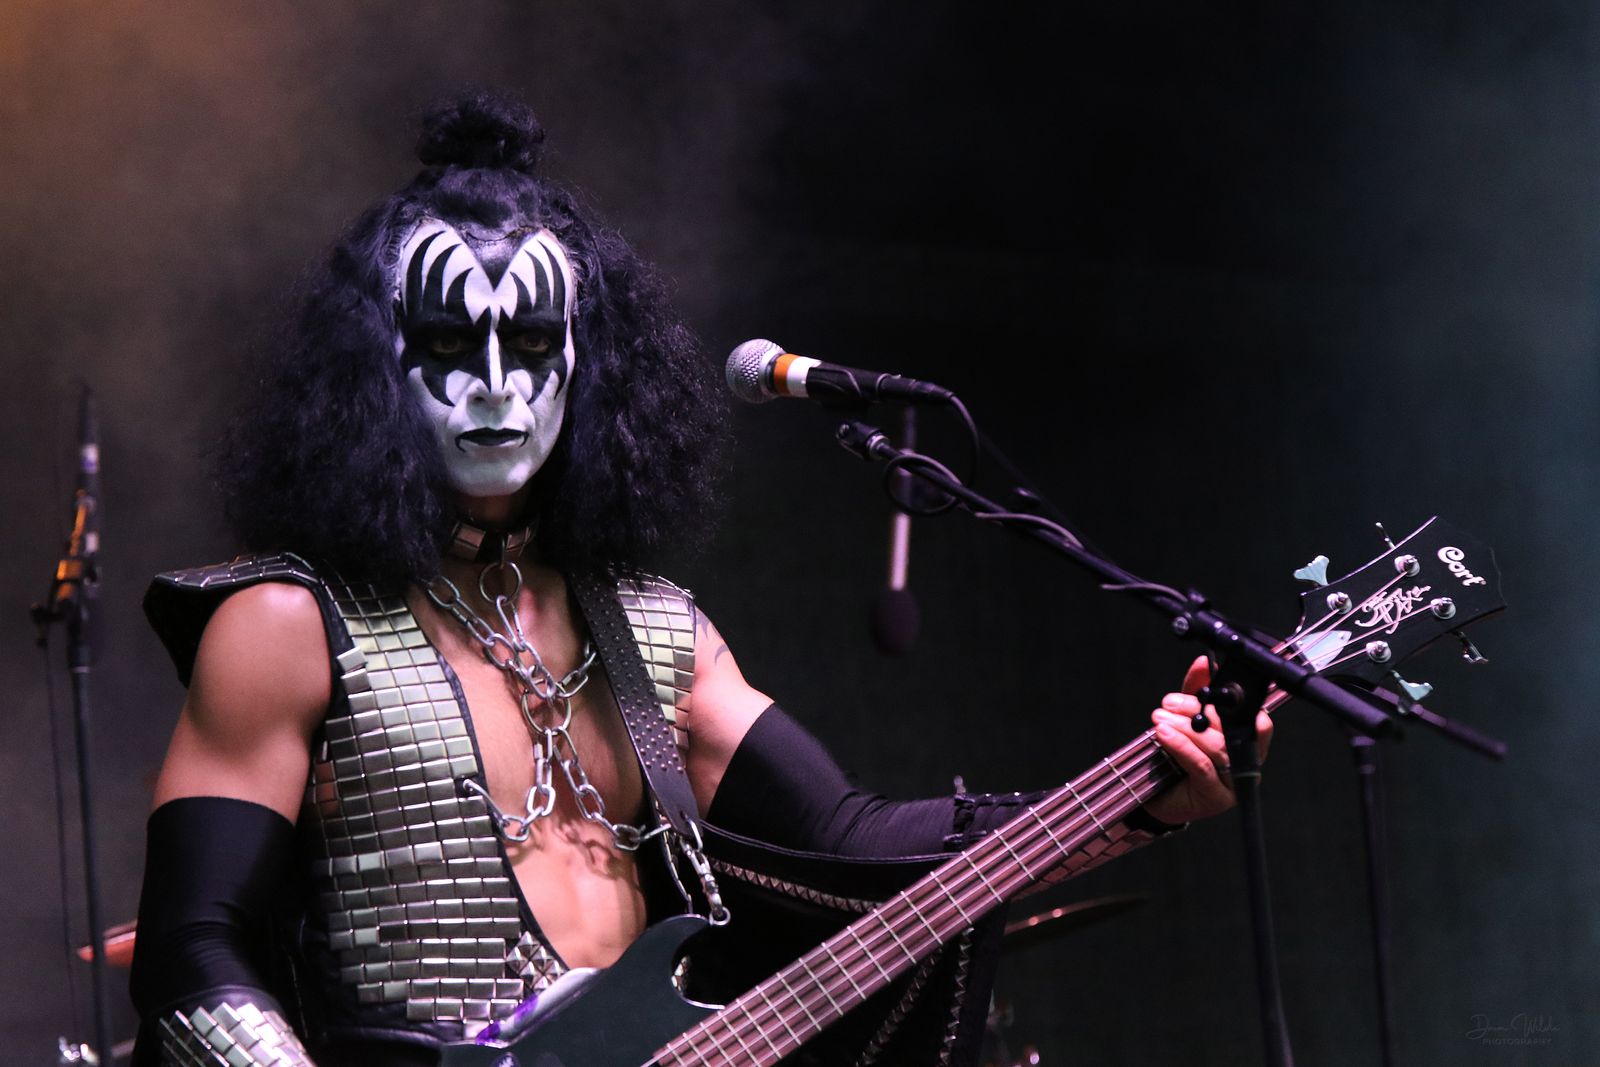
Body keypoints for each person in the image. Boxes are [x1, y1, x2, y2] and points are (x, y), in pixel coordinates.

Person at [127, 90, 1269, 1067]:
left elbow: (851, 838)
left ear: (589, 363)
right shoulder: (287, 621)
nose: (495, 384)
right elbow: (188, 954)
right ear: (374, 370)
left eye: (533, 343)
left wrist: (1146, 797)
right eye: (447, 343)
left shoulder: (652, 630)